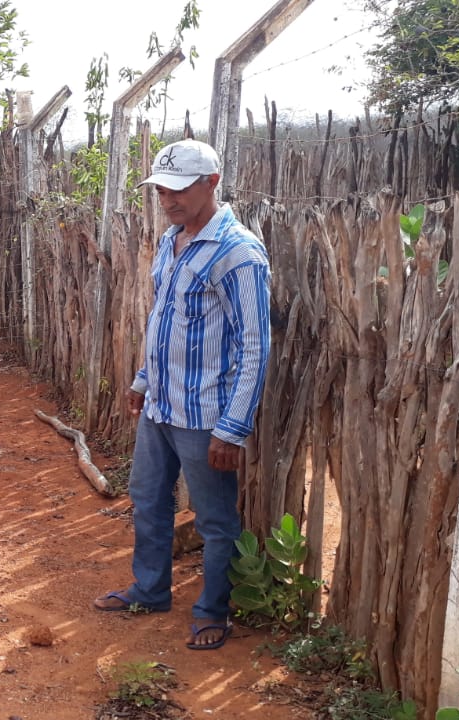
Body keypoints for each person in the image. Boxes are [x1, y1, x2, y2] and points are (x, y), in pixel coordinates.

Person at [92, 139, 272, 651]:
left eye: (178, 189)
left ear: (211, 183)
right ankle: (149, 590)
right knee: (148, 500)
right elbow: (163, 320)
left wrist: (233, 428)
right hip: (161, 406)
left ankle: (213, 609)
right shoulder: (171, 241)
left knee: (215, 520)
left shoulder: (237, 252)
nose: (167, 200)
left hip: (206, 416)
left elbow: (254, 347)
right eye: (160, 190)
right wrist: (143, 380)